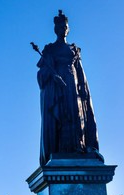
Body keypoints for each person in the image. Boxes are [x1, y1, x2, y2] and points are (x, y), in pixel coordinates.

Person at [36, 10, 99, 166]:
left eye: (65, 27)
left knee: (76, 117)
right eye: (60, 27)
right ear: (55, 30)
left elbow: (80, 72)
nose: (63, 29)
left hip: (72, 86)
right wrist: (52, 76)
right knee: (61, 117)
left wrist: (83, 90)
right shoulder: (49, 50)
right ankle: (60, 149)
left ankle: (78, 147)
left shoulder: (74, 50)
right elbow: (42, 73)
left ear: (68, 29)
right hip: (56, 90)